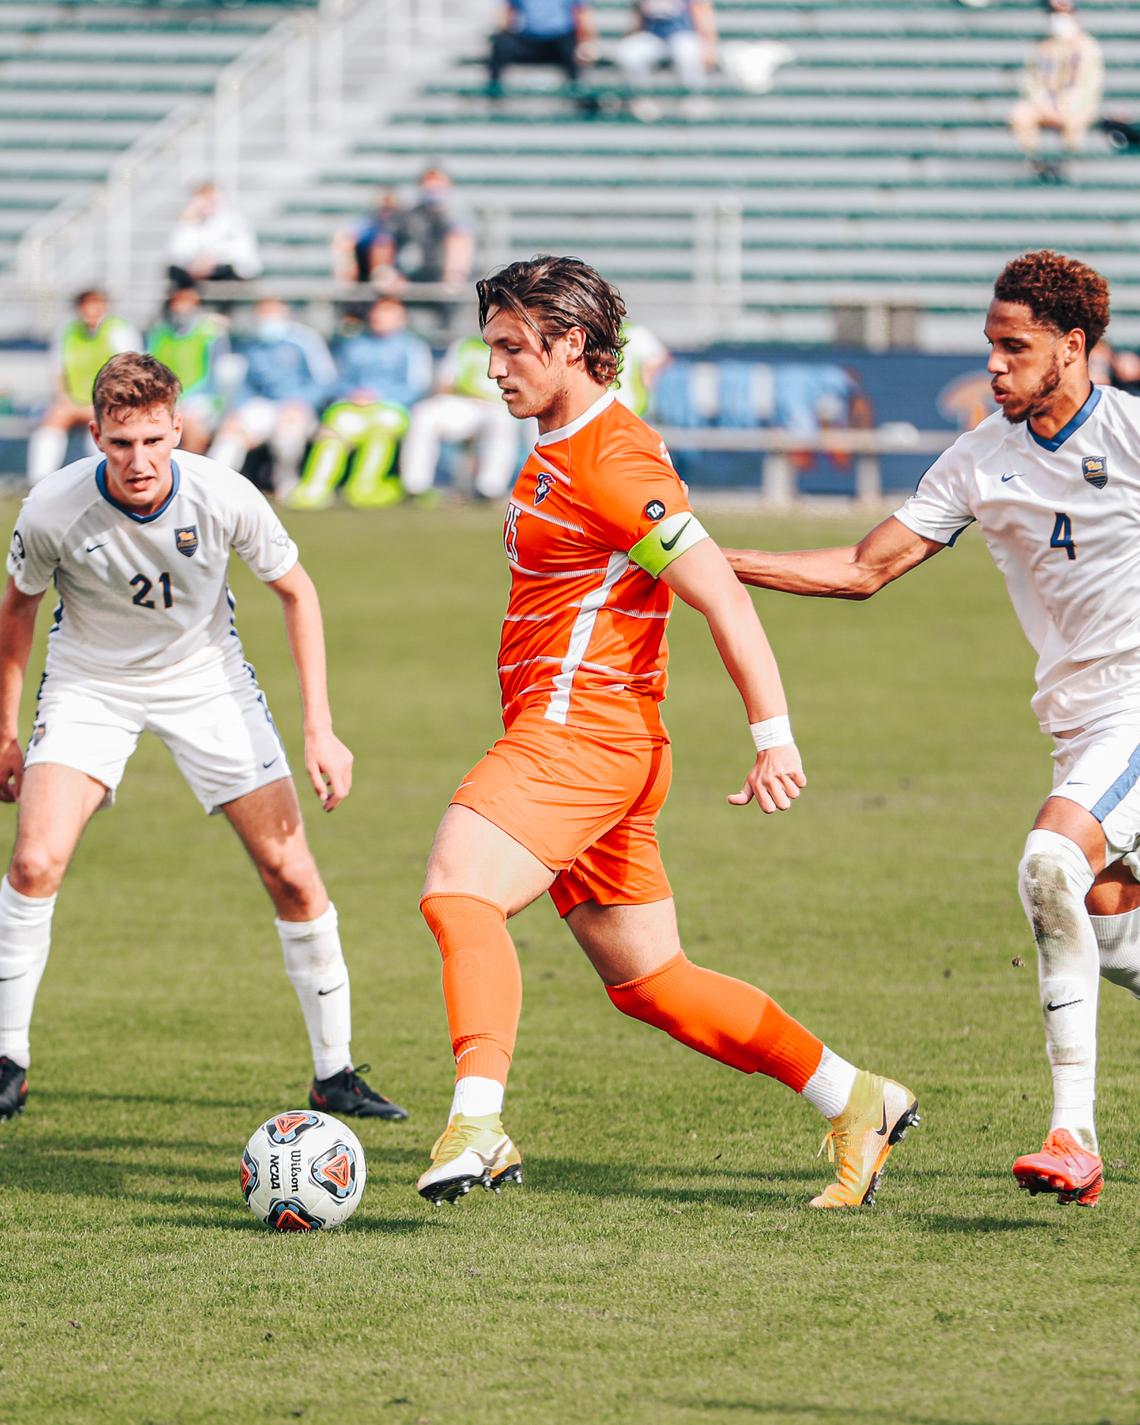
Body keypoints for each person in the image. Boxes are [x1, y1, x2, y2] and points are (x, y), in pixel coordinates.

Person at [414, 256, 918, 1209]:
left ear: (572, 346)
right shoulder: (565, 437)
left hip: (581, 735)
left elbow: (721, 598)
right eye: (492, 348)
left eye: (513, 348)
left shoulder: (613, 461)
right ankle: (855, 1097)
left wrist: (775, 734)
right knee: (651, 980)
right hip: (602, 740)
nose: (496, 369)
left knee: (458, 892)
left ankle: (477, 1122)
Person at [724, 249, 1140, 1209]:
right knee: (1112, 937)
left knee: (1049, 864)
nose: (994, 365)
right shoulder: (979, 458)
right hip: (1079, 725)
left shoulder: (1127, 435)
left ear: (1073, 349)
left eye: (1014, 346)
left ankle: (1073, 1137)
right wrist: (710, 558)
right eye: (989, 345)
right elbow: (866, 568)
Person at [0, 354, 407, 1126]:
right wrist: (5, 730)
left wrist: (320, 727)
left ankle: (336, 1072)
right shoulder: (52, 507)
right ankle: (7, 1058)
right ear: (95, 435)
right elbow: (16, 609)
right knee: (33, 859)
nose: (140, 459)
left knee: (290, 870)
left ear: (178, 430)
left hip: (206, 680)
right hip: (90, 683)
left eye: (154, 439)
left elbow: (297, 592)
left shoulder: (222, 493)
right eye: (121, 443)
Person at [288, 297, 435, 511]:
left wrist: (380, 397)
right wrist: (352, 394)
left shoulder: (412, 347)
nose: (379, 318)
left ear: (401, 318)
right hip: (351, 405)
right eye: (377, 313)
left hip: (391, 407)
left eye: (387, 314)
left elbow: (417, 385)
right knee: (334, 432)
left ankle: (370, 488)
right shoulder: (353, 344)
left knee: (380, 432)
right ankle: (315, 489)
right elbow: (335, 379)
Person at [208, 298, 336, 497]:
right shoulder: (252, 344)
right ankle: (213, 489)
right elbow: (244, 384)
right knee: (230, 436)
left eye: (273, 315)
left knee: (287, 439)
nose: (268, 321)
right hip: (261, 405)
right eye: (263, 315)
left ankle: (286, 483)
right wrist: (236, 413)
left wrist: (301, 403)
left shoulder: (305, 339)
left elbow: (324, 379)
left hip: (296, 406)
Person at [26, 291, 139, 487]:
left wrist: (104, 403)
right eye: (86, 305)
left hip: (109, 402)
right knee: (51, 423)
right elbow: (58, 372)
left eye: (96, 304)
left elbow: (128, 373)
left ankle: (102, 481)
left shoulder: (119, 330)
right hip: (73, 401)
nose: (91, 311)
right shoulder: (67, 332)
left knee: (100, 427)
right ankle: (39, 483)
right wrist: (64, 399)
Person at [399, 334, 524, 502]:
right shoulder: (465, 345)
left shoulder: (518, 346)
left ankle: (489, 489)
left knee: (501, 421)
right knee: (423, 414)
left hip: (500, 405)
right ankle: (415, 487)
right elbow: (446, 382)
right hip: (464, 403)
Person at [1009, 0, 1103, 182]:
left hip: (1074, 106)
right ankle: (1034, 160)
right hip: (1044, 105)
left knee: (1075, 120)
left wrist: (1065, 104)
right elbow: (1030, 80)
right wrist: (1043, 103)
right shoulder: (1043, 47)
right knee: (1021, 113)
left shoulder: (1087, 47)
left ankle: (1065, 162)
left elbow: (1089, 86)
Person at [146, 284, 230, 455]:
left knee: (190, 423)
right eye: (178, 302)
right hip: (165, 398)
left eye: (188, 302)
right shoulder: (159, 334)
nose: (182, 307)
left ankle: (188, 471)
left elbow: (219, 374)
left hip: (202, 400)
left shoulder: (211, 333)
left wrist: (190, 399)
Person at [615, 1, 718, 116]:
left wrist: (709, 46)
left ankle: (694, 98)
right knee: (629, 53)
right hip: (654, 36)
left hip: (683, 33)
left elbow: (703, 12)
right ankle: (641, 100)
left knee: (687, 51)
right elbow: (638, 18)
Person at [487, 1, 597, 93]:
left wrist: (586, 43)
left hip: (560, 40)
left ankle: (578, 91)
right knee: (502, 42)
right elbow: (508, 14)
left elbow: (581, 14)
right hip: (529, 40)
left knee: (571, 46)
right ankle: (494, 90)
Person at [167, 182, 262, 288]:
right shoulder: (189, 223)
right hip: (195, 271)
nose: (206, 205)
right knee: (175, 272)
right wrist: (188, 223)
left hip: (229, 271)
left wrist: (212, 259)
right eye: (203, 200)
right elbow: (177, 253)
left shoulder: (234, 220)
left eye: (210, 200)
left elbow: (243, 252)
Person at [331, 189, 401, 287]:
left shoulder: (406, 224)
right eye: (383, 206)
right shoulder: (369, 225)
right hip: (367, 275)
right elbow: (346, 237)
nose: (386, 210)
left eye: (389, 207)